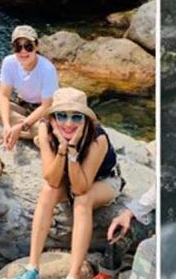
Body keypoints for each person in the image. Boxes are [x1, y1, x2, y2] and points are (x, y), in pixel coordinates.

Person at [17, 88, 123, 279]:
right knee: (48, 191)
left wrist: (72, 149)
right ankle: (32, 267)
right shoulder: (44, 128)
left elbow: (80, 187)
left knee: (83, 200)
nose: (68, 123)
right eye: (62, 116)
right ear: (52, 118)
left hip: (103, 180)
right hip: (67, 176)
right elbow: (51, 178)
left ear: (85, 119)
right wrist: (61, 149)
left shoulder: (98, 139)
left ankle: (73, 275)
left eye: (76, 117)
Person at [0, 25, 58, 147]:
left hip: (44, 112)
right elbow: (3, 96)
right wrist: (7, 125)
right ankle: (33, 134)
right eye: (18, 47)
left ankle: (31, 132)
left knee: (46, 128)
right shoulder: (9, 62)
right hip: (24, 107)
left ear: (36, 46)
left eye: (28, 46)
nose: (23, 51)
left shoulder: (47, 69)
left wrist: (22, 125)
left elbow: (46, 105)